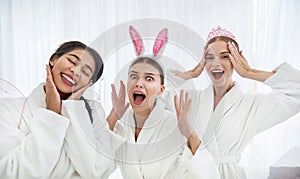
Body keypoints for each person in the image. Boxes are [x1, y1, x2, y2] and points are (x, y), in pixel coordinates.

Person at [167, 26, 300, 179]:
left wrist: (250, 72)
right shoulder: (190, 99)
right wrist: (190, 73)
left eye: (224, 56)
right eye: (210, 57)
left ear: (237, 59)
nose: (215, 63)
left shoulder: (252, 105)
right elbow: (154, 93)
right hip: (192, 173)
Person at [0, 41, 124, 178]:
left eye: (85, 71)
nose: (76, 71)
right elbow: (12, 174)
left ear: (89, 84)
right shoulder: (7, 109)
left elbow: (96, 172)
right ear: (53, 59)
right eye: (72, 61)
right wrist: (52, 115)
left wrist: (71, 109)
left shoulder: (93, 113)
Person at [107, 56, 219, 179]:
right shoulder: (121, 125)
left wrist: (190, 134)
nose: (138, 83)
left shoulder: (176, 125)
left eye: (149, 78)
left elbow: (207, 174)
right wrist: (112, 119)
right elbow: (96, 168)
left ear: (161, 90)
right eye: (133, 76)